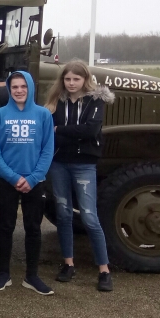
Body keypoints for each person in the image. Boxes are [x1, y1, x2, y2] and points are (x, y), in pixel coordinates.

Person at [45, 60, 114, 292]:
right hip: (59, 163)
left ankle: (104, 270)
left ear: (85, 79)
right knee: (63, 214)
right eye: (67, 79)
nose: (71, 83)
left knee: (89, 216)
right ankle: (68, 264)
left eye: (76, 79)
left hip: (84, 164)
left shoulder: (95, 101)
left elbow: (91, 130)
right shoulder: (56, 102)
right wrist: (68, 133)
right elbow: (49, 131)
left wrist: (60, 130)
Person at [0, 71, 55, 295]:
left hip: (35, 182)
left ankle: (32, 276)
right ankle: (3, 273)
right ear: (9, 89)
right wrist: (13, 177)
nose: (19, 90)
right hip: (7, 181)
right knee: (5, 227)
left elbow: (47, 149)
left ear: (30, 88)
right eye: (14, 86)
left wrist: (33, 178)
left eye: (23, 86)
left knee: (33, 228)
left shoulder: (43, 115)